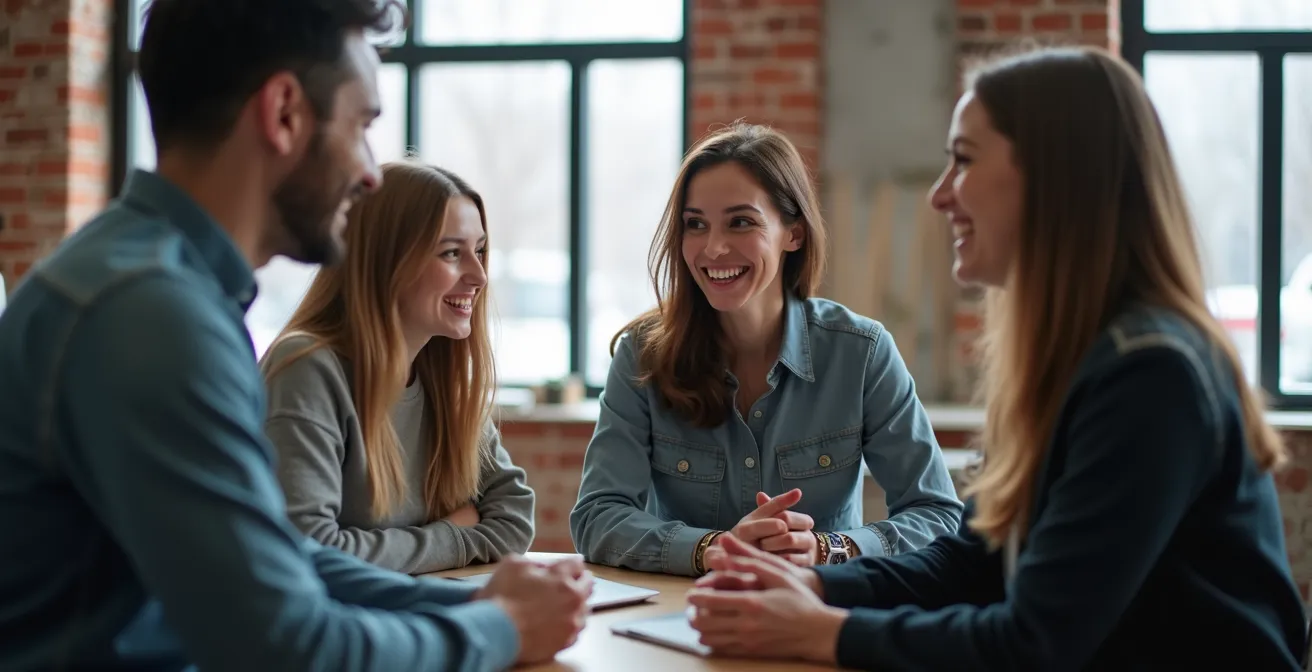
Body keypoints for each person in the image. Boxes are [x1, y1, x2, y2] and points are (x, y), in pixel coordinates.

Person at [0, 2, 589, 670]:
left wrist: (470, 607)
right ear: (284, 113)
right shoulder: (150, 316)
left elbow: (278, 559)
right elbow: (288, 645)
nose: (370, 172)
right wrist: (500, 630)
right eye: (362, 124)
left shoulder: (157, 285)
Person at [685, 46, 1309, 670]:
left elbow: (1035, 643)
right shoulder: (1071, 359)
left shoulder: (1150, 373)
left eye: (962, 160)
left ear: (1054, 176)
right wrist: (817, 587)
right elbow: (975, 559)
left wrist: (823, 631)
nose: (938, 195)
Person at [570, 121, 963, 577]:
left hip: (816, 612)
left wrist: (827, 549)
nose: (713, 248)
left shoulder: (862, 354)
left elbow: (938, 516)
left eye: (741, 222)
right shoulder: (642, 356)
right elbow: (598, 515)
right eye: (695, 224)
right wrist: (713, 549)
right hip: (683, 618)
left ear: (792, 233)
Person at [260, 160, 534, 575]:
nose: (478, 275)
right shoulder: (307, 369)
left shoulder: (440, 378)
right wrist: (453, 534)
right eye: (451, 253)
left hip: (412, 615)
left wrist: (397, 550)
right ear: (386, 261)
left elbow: (513, 517)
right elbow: (310, 553)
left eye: (478, 251)